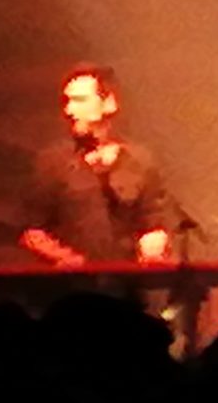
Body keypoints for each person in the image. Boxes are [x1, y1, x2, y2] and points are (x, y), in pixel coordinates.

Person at [21, 63, 177, 268]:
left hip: (128, 281)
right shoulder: (54, 162)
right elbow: (31, 230)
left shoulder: (140, 162)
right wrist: (64, 257)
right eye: (67, 101)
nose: (69, 110)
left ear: (109, 103)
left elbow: (155, 220)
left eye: (80, 100)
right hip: (74, 284)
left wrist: (154, 243)